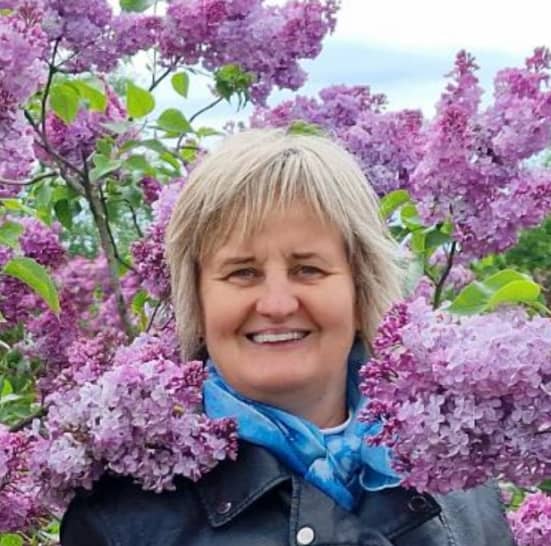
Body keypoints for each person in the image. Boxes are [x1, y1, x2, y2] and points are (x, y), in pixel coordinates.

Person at [60, 129, 517, 545]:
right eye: (242, 272)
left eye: (308, 269)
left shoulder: (458, 478)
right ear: (197, 302)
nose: (277, 304)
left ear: (360, 291)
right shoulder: (120, 522)